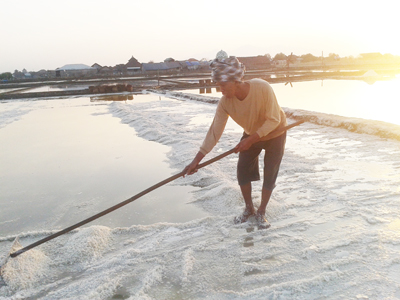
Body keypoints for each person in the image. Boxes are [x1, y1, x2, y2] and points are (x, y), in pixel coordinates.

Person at [183, 56, 287, 229]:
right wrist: (196, 161)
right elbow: (214, 132)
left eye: (223, 85)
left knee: (270, 172)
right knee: (242, 170)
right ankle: (249, 209)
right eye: (218, 85)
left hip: (275, 132)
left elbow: (273, 120)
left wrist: (251, 140)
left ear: (236, 81)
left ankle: (261, 212)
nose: (220, 90)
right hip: (252, 132)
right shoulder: (225, 103)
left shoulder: (262, 87)